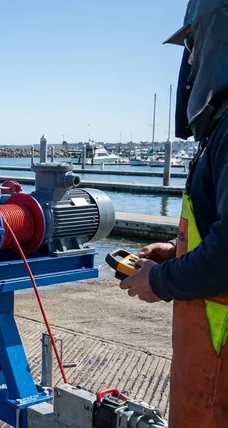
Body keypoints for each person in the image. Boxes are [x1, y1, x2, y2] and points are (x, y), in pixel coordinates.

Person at [118, 1, 228, 425]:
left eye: (193, 43)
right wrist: (177, 249)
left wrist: (160, 281)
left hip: (219, 365)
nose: (192, 60)